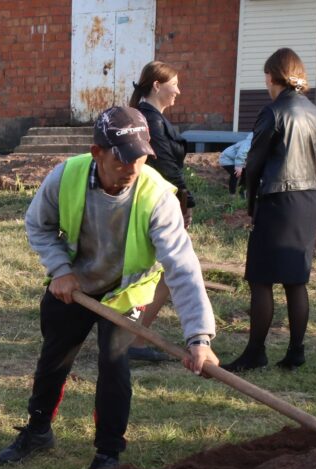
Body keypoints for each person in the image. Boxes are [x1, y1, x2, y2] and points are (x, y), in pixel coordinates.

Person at [0, 106, 218, 469]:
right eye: (122, 160)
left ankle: (108, 453)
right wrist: (61, 270)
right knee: (54, 360)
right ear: (97, 152)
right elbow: (38, 224)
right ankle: (37, 432)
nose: (132, 169)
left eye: (141, 159)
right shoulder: (67, 176)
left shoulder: (157, 196)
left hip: (125, 293)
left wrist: (199, 338)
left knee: (114, 366)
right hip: (75, 285)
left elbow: (182, 266)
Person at [221, 48, 316, 373]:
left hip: (279, 200)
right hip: (309, 199)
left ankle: (255, 352)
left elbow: (255, 161)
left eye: (265, 76)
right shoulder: (314, 112)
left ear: (271, 75)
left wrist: (250, 200)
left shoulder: (273, 112)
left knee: (261, 279)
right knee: (296, 279)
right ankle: (296, 352)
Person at [125, 60, 195, 362]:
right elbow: (166, 166)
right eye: (174, 84)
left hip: (154, 201)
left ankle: (129, 336)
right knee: (165, 271)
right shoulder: (150, 121)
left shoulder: (150, 117)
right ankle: (132, 339)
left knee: (157, 272)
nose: (178, 90)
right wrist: (185, 200)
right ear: (157, 85)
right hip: (155, 203)